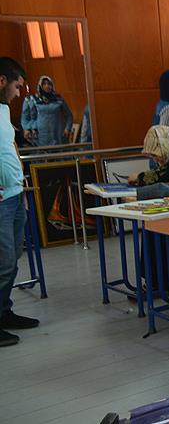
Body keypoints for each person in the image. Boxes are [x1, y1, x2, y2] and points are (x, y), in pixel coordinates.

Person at [0, 57, 40, 347]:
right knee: (2, 261)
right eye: (17, 86)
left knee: (12, 260)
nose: (18, 93)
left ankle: (4, 311)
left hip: (14, 194)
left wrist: (22, 184)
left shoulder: (3, 110)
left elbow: (10, 147)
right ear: (2, 81)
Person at [21, 75, 73, 146]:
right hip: (40, 135)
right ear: (40, 85)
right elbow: (25, 117)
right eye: (44, 84)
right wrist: (26, 128)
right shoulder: (33, 100)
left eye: (49, 84)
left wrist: (67, 129)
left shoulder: (58, 99)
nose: (47, 86)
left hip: (57, 133)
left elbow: (69, 115)